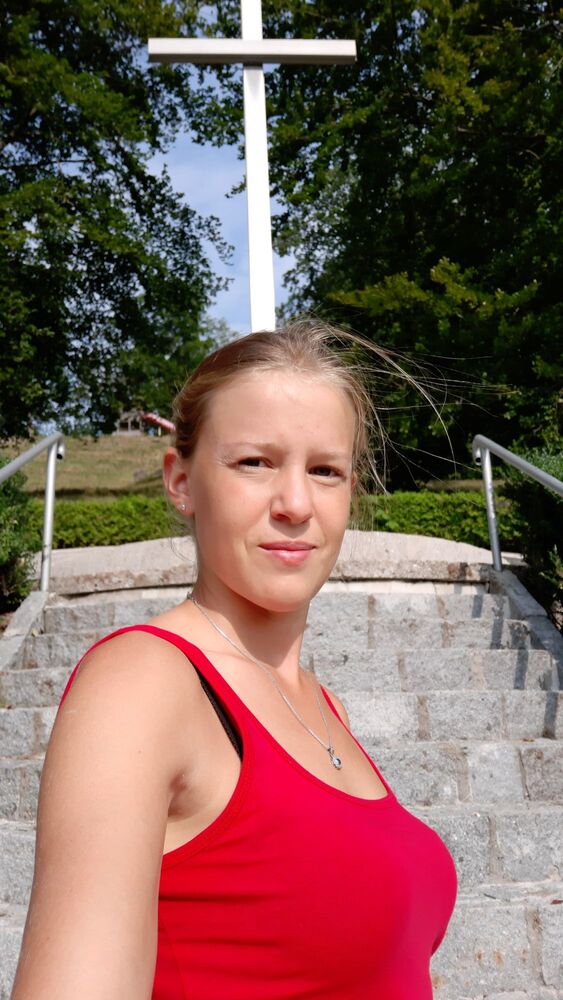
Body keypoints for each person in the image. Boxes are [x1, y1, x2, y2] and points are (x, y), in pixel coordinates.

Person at [11, 320, 458, 999]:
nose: (296, 504)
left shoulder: (324, 706)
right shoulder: (143, 684)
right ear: (181, 481)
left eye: (325, 470)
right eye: (254, 462)